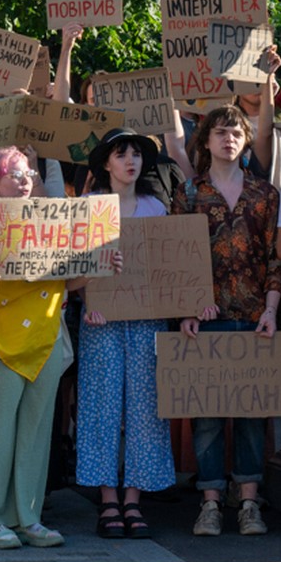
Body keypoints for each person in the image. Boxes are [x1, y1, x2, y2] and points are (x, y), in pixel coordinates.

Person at [0, 146, 110, 549]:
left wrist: (98, 266)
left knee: (35, 433)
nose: (25, 179)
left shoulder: (50, 224)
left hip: (45, 338)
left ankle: (27, 519)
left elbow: (65, 282)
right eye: (15, 174)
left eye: (28, 173)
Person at [171, 105, 281, 537]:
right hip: (207, 317)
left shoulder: (265, 194)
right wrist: (185, 309)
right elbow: (176, 259)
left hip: (256, 316)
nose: (229, 139)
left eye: (236, 132)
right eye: (220, 132)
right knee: (207, 416)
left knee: (253, 416)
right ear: (205, 141)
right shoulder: (187, 193)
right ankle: (211, 503)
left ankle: (250, 503)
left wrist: (272, 310)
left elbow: (278, 258)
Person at [76, 129, 176, 539]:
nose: (130, 161)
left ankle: (133, 500)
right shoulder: (86, 207)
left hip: (148, 321)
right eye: (122, 155)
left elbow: (174, 270)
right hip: (100, 320)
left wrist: (188, 306)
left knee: (146, 407)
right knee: (100, 408)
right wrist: (89, 297)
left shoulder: (156, 209)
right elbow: (70, 267)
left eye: (136, 154)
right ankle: (107, 501)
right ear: (105, 164)